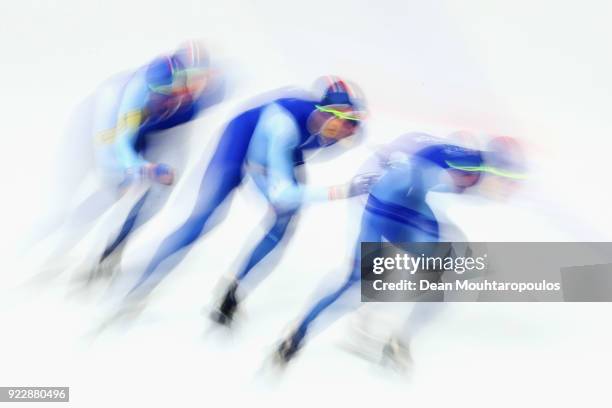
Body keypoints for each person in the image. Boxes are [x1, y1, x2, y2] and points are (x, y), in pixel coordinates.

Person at [125, 77, 378, 312]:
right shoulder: (283, 126)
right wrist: (343, 191)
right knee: (203, 219)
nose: (349, 129)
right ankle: (139, 286)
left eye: (354, 123)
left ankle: (232, 290)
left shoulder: (342, 135)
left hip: (281, 149)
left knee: (284, 221)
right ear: (324, 114)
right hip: (241, 140)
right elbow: (282, 193)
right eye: (344, 121)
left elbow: (287, 176)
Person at [274, 132, 526, 365]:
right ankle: (388, 336)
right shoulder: (470, 167)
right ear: (494, 170)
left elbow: (419, 155)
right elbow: (421, 166)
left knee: (364, 277)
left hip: (390, 204)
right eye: (508, 181)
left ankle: (301, 333)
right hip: (393, 206)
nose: (509, 190)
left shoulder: (470, 164)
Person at [37, 40, 224, 282]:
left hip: (155, 130)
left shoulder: (203, 91)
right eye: (164, 95)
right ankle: (61, 245)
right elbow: (121, 147)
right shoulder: (136, 95)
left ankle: (112, 250)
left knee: (156, 193)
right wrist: (142, 169)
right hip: (120, 126)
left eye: (200, 81)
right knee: (115, 187)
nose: (193, 91)